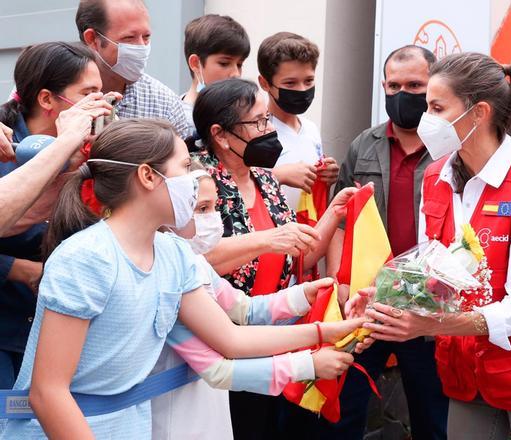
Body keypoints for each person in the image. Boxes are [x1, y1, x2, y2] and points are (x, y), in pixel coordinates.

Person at [0, 118, 365, 439]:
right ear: (147, 176)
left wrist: (325, 332)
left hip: (131, 426)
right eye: (184, 165)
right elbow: (48, 394)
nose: (195, 178)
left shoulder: (173, 253)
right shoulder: (86, 259)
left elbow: (232, 337)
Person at [361, 52, 511, 439]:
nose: (425, 118)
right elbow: (428, 276)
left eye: (436, 107)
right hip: (464, 371)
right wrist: (381, 297)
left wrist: (429, 324)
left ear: (477, 113)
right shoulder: (436, 177)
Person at [191, 78, 358, 439]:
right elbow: (193, 263)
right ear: (220, 134)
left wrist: (334, 213)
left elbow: (297, 253)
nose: (269, 131)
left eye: (268, 120)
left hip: (275, 332)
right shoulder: (197, 182)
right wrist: (267, 240)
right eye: (259, 122)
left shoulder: (265, 179)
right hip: (219, 339)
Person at [152, 164, 359, 439]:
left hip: (204, 403)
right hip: (173, 411)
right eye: (201, 209)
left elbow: (244, 308)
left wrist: (303, 295)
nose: (214, 219)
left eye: (215, 208)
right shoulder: (166, 269)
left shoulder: (190, 261)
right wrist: (308, 362)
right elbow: (220, 368)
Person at [323, 45, 448, 440]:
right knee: (343, 409)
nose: (402, 94)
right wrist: (340, 282)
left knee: (434, 416)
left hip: (427, 310)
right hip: (369, 303)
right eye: (393, 85)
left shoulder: (451, 149)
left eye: (415, 85)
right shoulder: (365, 144)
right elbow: (340, 222)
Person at [0, 42, 115, 390]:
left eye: (102, 92)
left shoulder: (88, 152)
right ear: (48, 100)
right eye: (88, 94)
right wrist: (16, 269)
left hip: (56, 331)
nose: (100, 103)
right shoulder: (5, 146)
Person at [76, 0, 191, 138]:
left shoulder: (165, 105)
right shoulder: (58, 96)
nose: (141, 47)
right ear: (92, 38)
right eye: (129, 38)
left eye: (146, 37)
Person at [257, 32, 339, 210]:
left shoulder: (311, 129)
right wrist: (279, 175)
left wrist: (327, 177)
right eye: (290, 83)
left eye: (308, 81)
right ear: (265, 83)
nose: (302, 90)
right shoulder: (255, 131)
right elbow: (236, 183)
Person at [181, 14, 250, 131]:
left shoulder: (245, 114)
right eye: (224, 63)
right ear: (195, 63)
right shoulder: (177, 120)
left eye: (239, 64)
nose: (236, 74)